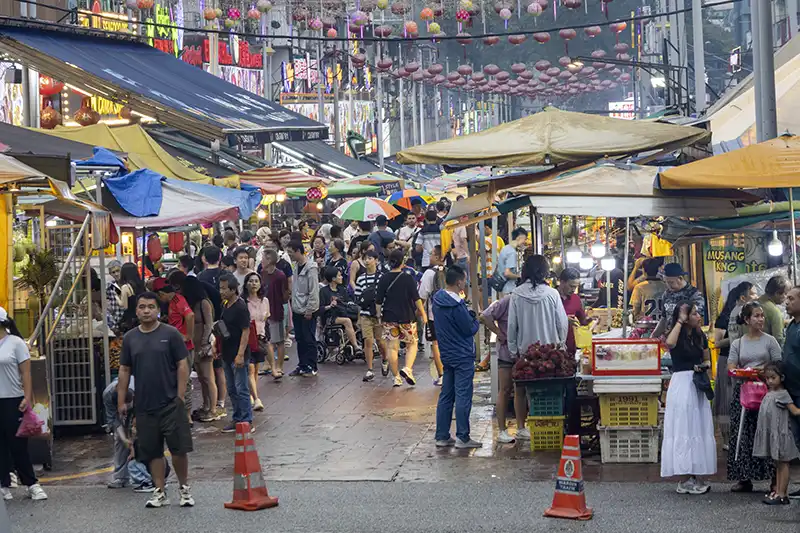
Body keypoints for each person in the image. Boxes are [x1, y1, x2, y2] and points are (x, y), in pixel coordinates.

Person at [117, 293, 193, 508]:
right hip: (144, 405)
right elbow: (124, 369)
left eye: (151, 306)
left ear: (158, 310)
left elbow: (182, 364)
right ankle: (159, 490)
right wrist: (121, 400)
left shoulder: (170, 334)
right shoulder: (130, 338)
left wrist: (179, 395)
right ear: (137, 311)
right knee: (152, 451)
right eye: (142, 307)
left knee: (179, 449)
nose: (146, 310)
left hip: (170, 402)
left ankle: (184, 488)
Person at [660, 301, 716, 495]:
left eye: (697, 313)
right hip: (682, 383)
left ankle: (697, 475)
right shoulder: (677, 333)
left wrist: (705, 367)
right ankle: (684, 477)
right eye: (693, 314)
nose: (698, 316)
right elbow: (670, 343)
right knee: (683, 426)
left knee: (698, 426)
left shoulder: (700, 336)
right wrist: (679, 321)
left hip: (697, 382)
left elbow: (707, 358)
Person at [726, 301, 781, 493]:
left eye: (762, 315)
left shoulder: (770, 341)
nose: (760, 319)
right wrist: (743, 372)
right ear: (747, 320)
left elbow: (778, 365)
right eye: (756, 316)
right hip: (743, 393)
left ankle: (774, 478)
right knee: (743, 434)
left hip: (766, 392)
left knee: (767, 433)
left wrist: (762, 371)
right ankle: (744, 477)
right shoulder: (738, 343)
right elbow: (731, 367)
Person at [0, 309, 47, 501]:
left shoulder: (16, 343)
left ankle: (31, 484)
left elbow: (26, 373)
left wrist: (26, 397)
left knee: (17, 444)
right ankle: (4, 484)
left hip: (13, 399)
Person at [433, 265, 481, 448]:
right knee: (463, 395)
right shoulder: (457, 305)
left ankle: (442, 435)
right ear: (460, 281)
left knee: (446, 394)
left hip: (446, 353)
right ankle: (463, 436)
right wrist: (476, 320)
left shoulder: (437, 300)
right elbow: (468, 329)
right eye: (465, 279)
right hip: (462, 355)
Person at [712, 282, 756, 448]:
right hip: (727, 360)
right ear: (743, 297)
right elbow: (716, 343)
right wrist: (733, 340)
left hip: (742, 360)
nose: (756, 297)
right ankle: (727, 439)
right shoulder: (725, 317)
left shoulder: (748, 315)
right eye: (753, 294)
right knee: (727, 399)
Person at [376, 249, 426, 387]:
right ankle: (408, 368)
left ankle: (396, 377)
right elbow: (416, 299)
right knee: (412, 343)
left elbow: (378, 301)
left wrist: (379, 316)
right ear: (402, 262)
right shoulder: (407, 278)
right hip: (407, 316)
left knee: (392, 347)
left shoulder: (384, 278)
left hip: (389, 316)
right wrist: (423, 313)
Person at [175, 274, 221, 424]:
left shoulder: (203, 303)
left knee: (208, 377)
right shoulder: (192, 304)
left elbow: (209, 324)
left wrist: (205, 343)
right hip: (195, 345)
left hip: (204, 344)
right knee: (201, 378)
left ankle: (213, 408)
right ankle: (206, 405)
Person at [752, 361, 800, 505]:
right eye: (767, 378)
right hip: (774, 434)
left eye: (773, 377)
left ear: (782, 377)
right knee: (778, 463)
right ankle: (779, 491)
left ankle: (782, 494)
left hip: (781, 434)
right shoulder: (770, 393)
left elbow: (795, 411)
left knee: (783, 463)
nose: (770, 381)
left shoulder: (782, 394)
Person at [480, 295, 524, 443]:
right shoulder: (507, 301)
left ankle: (521, 428)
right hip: (506, 352)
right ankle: (502, 430)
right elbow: (485, 316)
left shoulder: (526, 300)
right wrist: (499, 333)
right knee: (505, 389)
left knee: (520, 389)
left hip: (521, 352)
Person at [507, 255, 568, 358]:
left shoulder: (516, 294)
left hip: (526, 355)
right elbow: (562, 324)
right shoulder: (553, 294)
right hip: (551, 354)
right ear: (545, 272)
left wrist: (513, 353)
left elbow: (512, 326)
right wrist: (561, 346)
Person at [215, 274, 253, 434]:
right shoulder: (226, 305)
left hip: (237, 353)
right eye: (220, 288)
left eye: (224, 288)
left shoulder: (240, 307)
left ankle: (246, 420)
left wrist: (240, 354)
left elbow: (246, 331)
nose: (221, 291)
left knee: (241, 388)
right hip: (226, 352)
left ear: (233, 289)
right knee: (231, 388)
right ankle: (237, 417)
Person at [153, 277, 195, 423]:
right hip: (176, 345)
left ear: (161, 294)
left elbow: (190, 315)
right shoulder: (172, 303)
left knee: (185, 379)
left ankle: (187, 414)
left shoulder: (178, 300)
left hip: (184, 347)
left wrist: (188, 335)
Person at [103, 377, 153, 492]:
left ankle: (151, 476)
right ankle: (121, 478)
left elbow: (137, 425)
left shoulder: (140, 391)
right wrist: (125, 439)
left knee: (145, 439)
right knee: (120, 441)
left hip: (142, 407)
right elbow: (114, 422)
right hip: (124, 407)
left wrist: (133, 444)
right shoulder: (108, 395)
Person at [196, 245, 227, 420]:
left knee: (209, 371)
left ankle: (210, 403)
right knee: (219, 367)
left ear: (204, 259)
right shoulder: (224, 276)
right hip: (222, 325)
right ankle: (220, 402)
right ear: (221, 256)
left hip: (209, 329)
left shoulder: (200, 277)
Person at [288, 241, 320, 377]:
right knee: (300, 338)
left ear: (298, 251)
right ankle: (302, 365)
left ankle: (311, 365)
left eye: (291, 252)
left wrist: (310, 309)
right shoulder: (295, 267)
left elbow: (314, 291)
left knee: (309, 338)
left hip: (307, 310)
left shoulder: (311, 268)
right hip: (297, 308)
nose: (289, 255)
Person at [354, 250, 386, 382]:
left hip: (379, 315)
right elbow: (357, 298)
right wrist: (358, 318)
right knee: (368, 340)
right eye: (365, 258)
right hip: (365, 314)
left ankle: (385, 359)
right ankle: (370, 369)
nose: (367, 261)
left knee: (380, 341)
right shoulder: (360, 278)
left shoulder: (382, 277)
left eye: (370, 258)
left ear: (376, 261)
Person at [418, 246, 445, 386]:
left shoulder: (429, 273)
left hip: (434, 314)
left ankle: (442, 374)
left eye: (432, 254)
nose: (430, 257)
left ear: (438, 257)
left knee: (435, 343)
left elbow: (421, 295)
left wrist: (420, 313)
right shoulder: (452, 270)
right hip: (451, 314)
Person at [655, 263, 705, 337]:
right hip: (668, 338)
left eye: (671, 282)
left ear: (680, 278)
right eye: (666, 282)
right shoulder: (667, 294)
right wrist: (654, 336)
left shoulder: (694, 295)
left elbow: (696, 320)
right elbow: (664, 318)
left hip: (688, 339)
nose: (668, 286)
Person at [319, 266, 361, 357]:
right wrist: (330, 306)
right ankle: (356, 346)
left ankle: (363, 343)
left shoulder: (342, 290)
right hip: (330, 317)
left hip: (344, 313)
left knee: (360, 316)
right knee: (347, 321)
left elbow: (348, 301)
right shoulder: (324, 291)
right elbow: (320, 309)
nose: (341, 277)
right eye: (339, 275)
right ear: (333, 279)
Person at [260, 249, 288, 379]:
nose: (261, 261)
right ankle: (269, 364)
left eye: (263, 258)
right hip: (265, 311)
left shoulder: (280, 275)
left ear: (269, 260)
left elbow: (285, 295)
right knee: (268, 340)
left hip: (277, 311)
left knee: (279, 340)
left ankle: (280, 366)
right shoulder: (262, 273)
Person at [783, 287, 800, 498]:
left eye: (791, 299)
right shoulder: (792, 326)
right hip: (792, 388)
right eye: (786, 298)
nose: (787, 302)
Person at [243, 272, 268, 411]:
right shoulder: (244, 302)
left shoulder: (265, 301)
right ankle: (257, 398)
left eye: (256, 281)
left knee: (256, 369)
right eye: (251, 281)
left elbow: (266, 319)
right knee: (250, 368)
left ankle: (251, 394)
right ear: (246, 284)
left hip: (260, 338)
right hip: (248, 338)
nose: (254, 284)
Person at [558, 267, 591, 356]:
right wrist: (564, 320)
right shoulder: (551, 298)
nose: (573, 289)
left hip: (571, 348)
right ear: (562, 282)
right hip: (554, 347)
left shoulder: (576, 299)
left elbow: (582, 322)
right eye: (571, 286)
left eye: (576, 286)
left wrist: (590, 320)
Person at [759, 275, 790, 346]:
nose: (786, 297)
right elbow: (779, 341)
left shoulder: (751, 305)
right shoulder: (774, 311)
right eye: (785, 294)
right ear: (777, 293)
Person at [496, 227, 527, 295]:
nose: (525, 242)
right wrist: (520, 276)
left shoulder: (506, 248)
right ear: (519, 237)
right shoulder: (511, 252)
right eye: (524, 239)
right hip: (508, 289)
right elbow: (507, 273)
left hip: (503, 288)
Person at [118, 262, 146, 332]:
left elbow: (124, 306)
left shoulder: (125, 287)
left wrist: (116, 297)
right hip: (141, 318)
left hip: (130, 320)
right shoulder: (142, 285)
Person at [106, 260, 125, 332]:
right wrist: (112, 325)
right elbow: (107, 307)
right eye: (113, 272)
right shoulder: (109, 287)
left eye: (118, 271)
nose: (116, 274)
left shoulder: (129, 285)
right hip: (116, 322)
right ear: (110, 274)